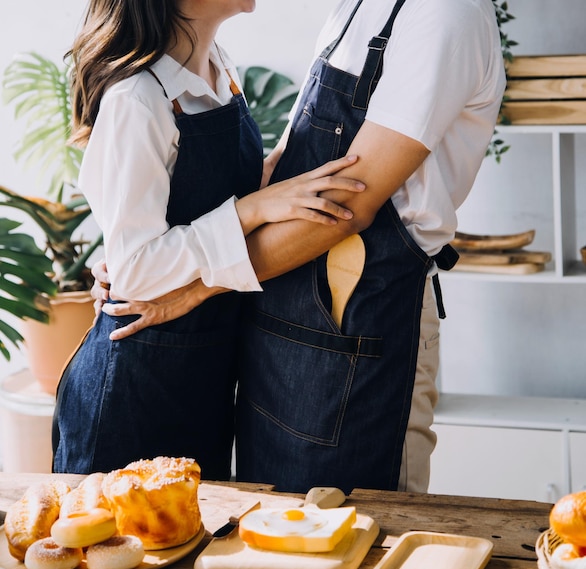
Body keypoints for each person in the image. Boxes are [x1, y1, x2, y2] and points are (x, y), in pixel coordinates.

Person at [91, 0, 506, 494]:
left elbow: (345, 205)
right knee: (270, 535)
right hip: (274, 327)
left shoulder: (443, 13)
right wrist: (144, 253)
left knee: (354, 536)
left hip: (356, 325)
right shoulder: (355, 9)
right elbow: (284, 177)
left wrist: (194, 285)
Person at [51, 0, 367, 479]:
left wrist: (270, 187)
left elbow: (208, 193)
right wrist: (254, 209)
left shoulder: (218, 68)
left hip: (204, 373)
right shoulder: (137, 98)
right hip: (134, 387)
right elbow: (136, 270)